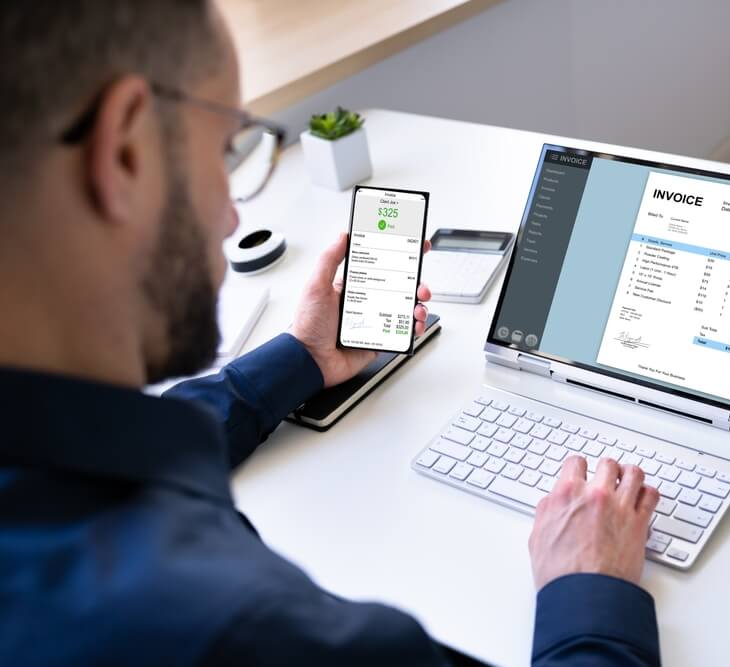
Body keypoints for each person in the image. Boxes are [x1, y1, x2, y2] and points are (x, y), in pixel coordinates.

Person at [0, 2, 662, 665]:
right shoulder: (238, 628)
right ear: (124, 153)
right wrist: (591, 592)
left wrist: (303, 358)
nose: (232, 217)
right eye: (222, 152)